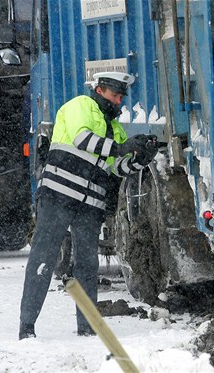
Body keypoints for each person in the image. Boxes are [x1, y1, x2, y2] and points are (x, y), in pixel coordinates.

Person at [19, 71, 159, 339]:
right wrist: (122, 147)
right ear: (99, 89)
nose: (118, 101)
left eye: (121, 97)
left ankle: (87, 326)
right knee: (43, 259)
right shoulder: (79, 106)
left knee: (87, 265)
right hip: (58, 195)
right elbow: (84, 140)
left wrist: (141, 158)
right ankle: (27, 328)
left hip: (90, 204)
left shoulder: (114, 129)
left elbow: (119, 168)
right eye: (114, 95)